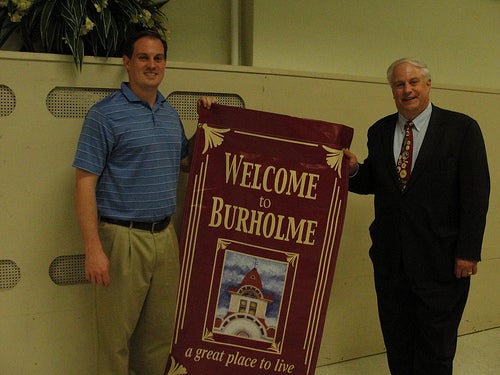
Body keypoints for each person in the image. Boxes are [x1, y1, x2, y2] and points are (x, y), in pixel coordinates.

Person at [73, 30, 216, 375]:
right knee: (115, 342)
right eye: (143, 57)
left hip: (165, 239)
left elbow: (185, 161)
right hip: (122, 240)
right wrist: (93, 248)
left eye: (158, 58)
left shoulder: (169, 114)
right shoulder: (104, 116)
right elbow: (84, 183)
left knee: (158, 339)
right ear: (127, 62)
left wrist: (206, 124)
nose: (151, 65)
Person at [343, 58, 490, 374]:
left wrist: (468, 252)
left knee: (435, 349)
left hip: (442, 262)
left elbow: (476, 194)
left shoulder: (462, 129)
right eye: (399, 84)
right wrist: (355, 171)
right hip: (391, 263)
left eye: (413, 82)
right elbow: (380, 183)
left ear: (427, 84)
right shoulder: (380, 131)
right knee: (398, 345)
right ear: (392, 90)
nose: (407, 90)